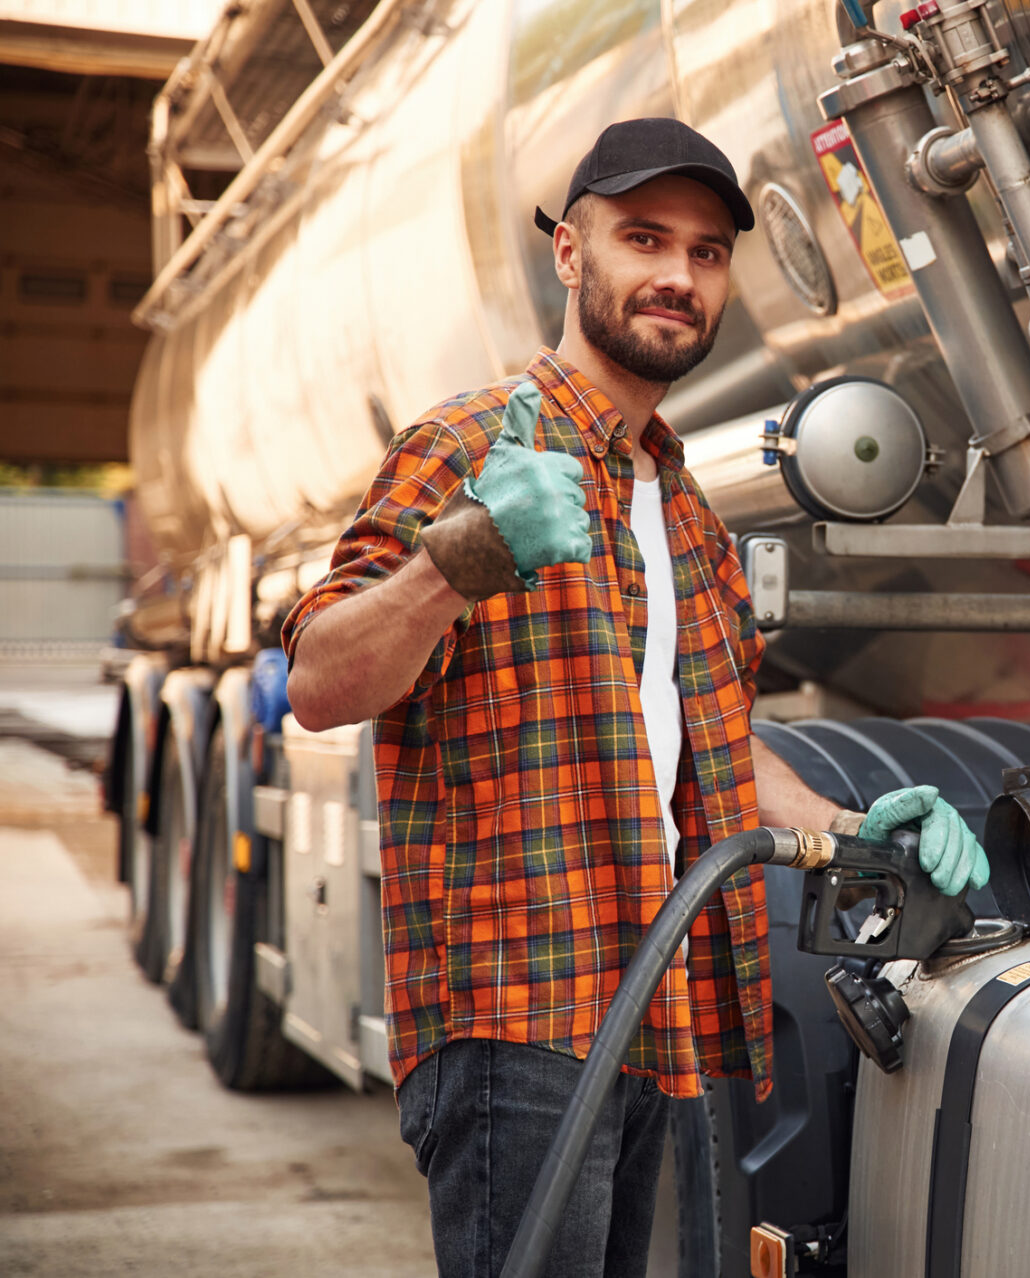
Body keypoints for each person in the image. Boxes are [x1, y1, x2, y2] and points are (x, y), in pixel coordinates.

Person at [282, 118, 987, 1278]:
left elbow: (708, 743)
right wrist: (462, 556)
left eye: (707, 252)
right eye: (643, 238)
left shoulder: (686, 507)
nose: (678, 275)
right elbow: (320, 682)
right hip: (518, 1015)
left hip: (655, 1007)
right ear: (569, 253)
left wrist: (853, 828)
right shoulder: (470, 445)